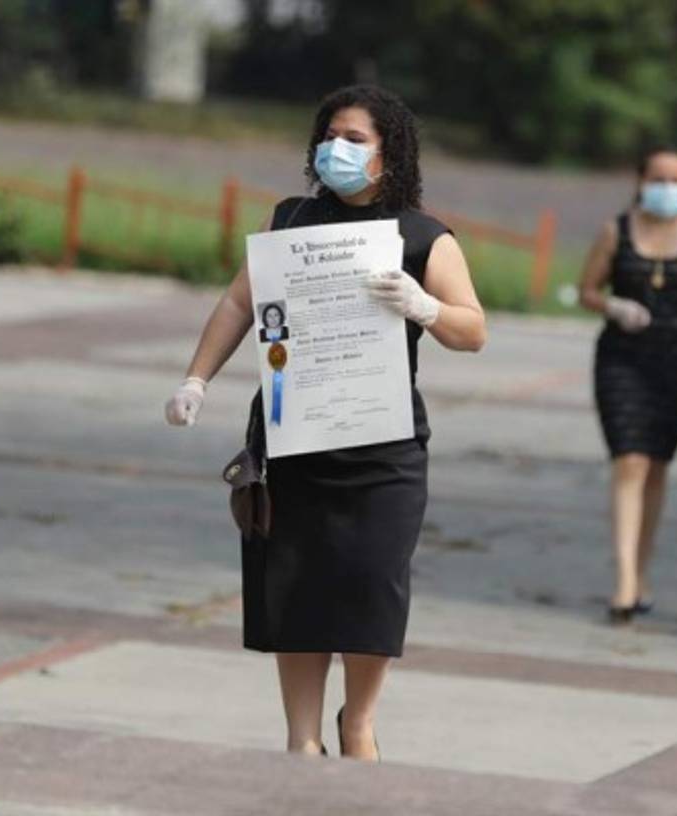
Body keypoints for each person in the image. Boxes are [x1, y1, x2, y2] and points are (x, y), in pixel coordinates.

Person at [164, 85, 486, 760]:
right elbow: (236, 304)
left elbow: (473, 330)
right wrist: (197, 379)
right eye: (330, 135)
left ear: (390, 150)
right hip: (291, 440)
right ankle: (300, 744)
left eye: (356, 138)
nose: (337, 149)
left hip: (381, 450)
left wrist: (424, 306)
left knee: (372, 585)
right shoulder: (290, 221)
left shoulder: (425, 237)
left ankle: (358, 723)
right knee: (297, 590)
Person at [579, 144, 677, 625]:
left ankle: (641, 573)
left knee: (657, 467)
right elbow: (587, 289)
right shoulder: (614, 231)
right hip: (623, 360)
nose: (669, 188)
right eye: (659, 179)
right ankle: (623, 581)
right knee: (630, 462)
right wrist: (614, 307)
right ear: (641, 181)